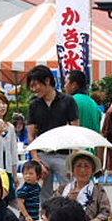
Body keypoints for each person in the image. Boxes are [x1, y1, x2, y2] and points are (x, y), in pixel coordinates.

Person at [26, 65, 80, 201]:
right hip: (43, 156)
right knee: (43, 194)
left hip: (64, 156)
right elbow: (31, 136)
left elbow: (76, 131)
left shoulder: (68, 101)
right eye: (31, 86)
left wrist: (73, 158)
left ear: (47, 81)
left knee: (69, 191)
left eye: (35, 85)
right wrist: (37, 160)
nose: (33, 89)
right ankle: (45, 219)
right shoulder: (34, 105)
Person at [55, 150, 112, 221]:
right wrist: (68, 201)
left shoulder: (98, 190)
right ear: (72, 170)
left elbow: (106, 213)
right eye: (78, 166)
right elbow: (52, 209)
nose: (82, 170)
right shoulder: (63, 189)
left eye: (86, 166)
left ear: (93, 171)